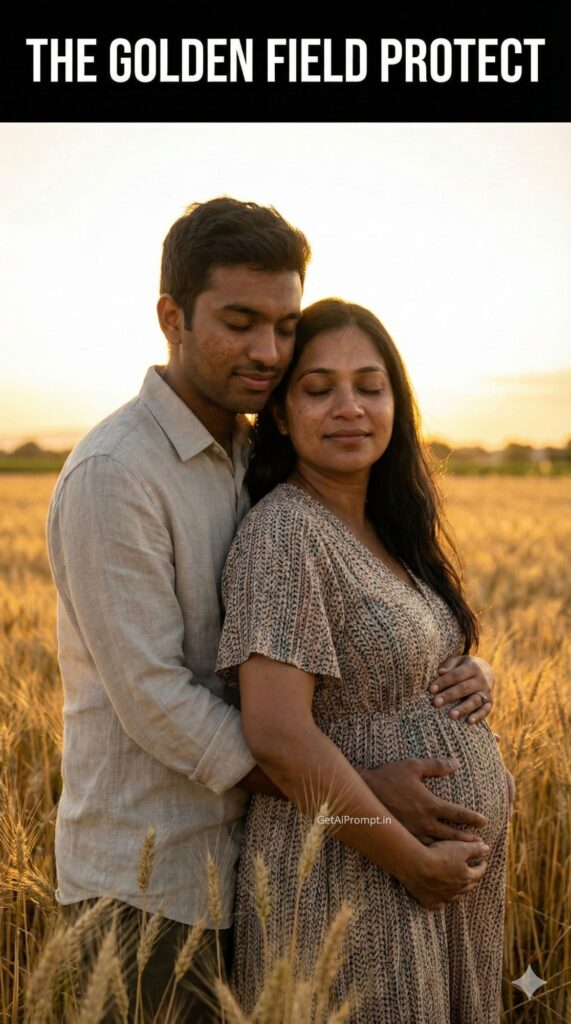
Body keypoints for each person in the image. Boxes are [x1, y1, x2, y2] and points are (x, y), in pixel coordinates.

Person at [47, 199, 499, 1021]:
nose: (267, 351)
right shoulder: (117, 474)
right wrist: (360, 795)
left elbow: (345, 625)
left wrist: (460, 669)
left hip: (272, 870)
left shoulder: (254, 453)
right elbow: (156, 700)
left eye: (284, 326)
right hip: (154, 886)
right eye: (240, 322)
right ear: (172, 318)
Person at [216, 299, 510, 1023]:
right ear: (281, 415)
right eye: (319, 389)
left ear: (395, 404)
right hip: (353, 878)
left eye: (369, 387)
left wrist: (477, 673)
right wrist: (412, 861)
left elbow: (410, 655)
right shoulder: (285, 534)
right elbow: (278, 734)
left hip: (433, 885)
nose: (349, 408)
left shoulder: (386, 525)